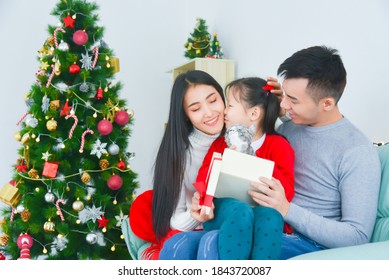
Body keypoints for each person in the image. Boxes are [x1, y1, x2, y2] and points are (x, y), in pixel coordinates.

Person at [128, 70, 282, 260]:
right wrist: (197, 213)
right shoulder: (182, 153)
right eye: (195, 108)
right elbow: (176, 221)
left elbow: (274, 135)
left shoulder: (243, 131)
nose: (209, 113)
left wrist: (280, 110)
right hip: (206, 223)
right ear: (185, 115)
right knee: (183, 247)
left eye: (213, 100)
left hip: (248, 218)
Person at [247, 46, 381, 259]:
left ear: (327, 103)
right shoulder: (289, 127)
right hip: (268, 225)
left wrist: (287, 209)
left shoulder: (356, 151)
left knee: (218, 246)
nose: (284, 103)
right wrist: (278, 109)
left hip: (310, 245)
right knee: (186, 242)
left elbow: (357, 236)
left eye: (293, 99)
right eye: (285, 95)